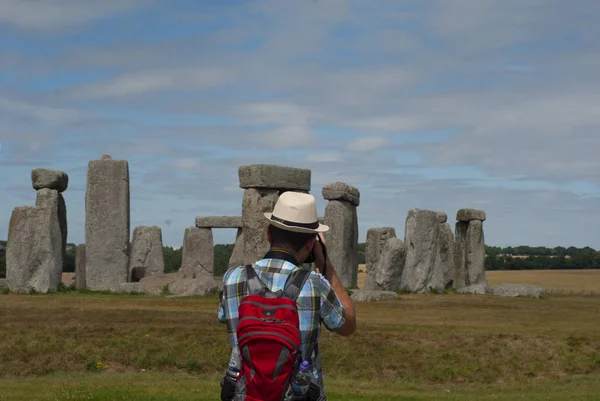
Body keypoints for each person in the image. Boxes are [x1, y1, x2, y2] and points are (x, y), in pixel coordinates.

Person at [217, 191, 356, 394]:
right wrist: (325, 265)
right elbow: (348, 325)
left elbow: (223, 317)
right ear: (310, 243)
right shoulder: (315, 284)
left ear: (268, 233)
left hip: (245, 395)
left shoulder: (232, 278)